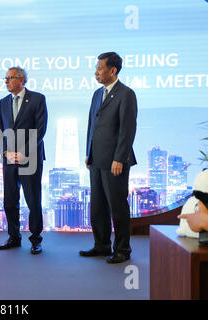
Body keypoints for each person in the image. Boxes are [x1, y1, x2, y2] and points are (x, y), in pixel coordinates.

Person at [80, 52, 137, 264]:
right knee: (98, 206)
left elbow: (128, 129)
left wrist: (119, 158)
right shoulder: (97, 94)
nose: (96, 72)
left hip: (115, 161)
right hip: (96, 159)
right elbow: (91, 126)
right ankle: (101, 245)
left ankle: (122, 250)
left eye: (100, 68)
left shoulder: (126, 94)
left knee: (117, 206)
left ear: (113, 70)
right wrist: (88, 152)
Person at [0, 67, 48, 254]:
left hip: (30, 158)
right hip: (9, 160)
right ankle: (14, 237)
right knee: (10, 200)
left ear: (21, 79)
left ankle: (36, 240)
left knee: (33, 200)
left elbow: (40, 129)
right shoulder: (3, 103)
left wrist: (24, 152)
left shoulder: (38, 99)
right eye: (5, 78)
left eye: (9, 78)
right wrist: (6, 153)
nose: (6, 81)